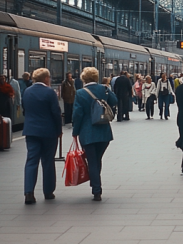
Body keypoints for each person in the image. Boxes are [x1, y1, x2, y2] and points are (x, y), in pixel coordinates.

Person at [72, 67, 117, 201]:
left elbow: (77, 114)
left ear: (84, 78)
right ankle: (95, 184)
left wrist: (75, 132)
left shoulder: (80, 93)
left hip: (87, 133)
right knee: (97, 159)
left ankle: (97, 189)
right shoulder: (104, 89)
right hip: (104, 132)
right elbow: (115, 101)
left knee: (92, 161)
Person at [21, 68, 62, 204]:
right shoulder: (50, 92)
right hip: (48, 132)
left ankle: (29, 192)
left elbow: (25, 110)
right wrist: (59, 130)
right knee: (48, 161)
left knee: (31, 160)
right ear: (46, 79)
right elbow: (56, 113)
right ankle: (48, 191)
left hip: (31, 131)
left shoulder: (27, 91)